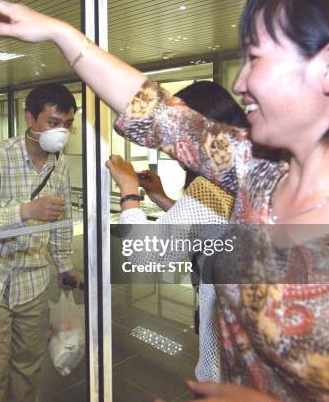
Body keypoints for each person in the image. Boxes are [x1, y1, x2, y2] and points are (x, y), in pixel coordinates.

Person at [0, 0, 329, 401]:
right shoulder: (257, 168)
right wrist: (64, 35)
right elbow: (161, 113)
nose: (241, 82)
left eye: (257, 59)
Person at [106, 81, 249, 383]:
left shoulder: (210, 184)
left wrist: (129, 190)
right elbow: (209, 226)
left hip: (227, 359)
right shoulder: (252, 165)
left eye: (173, 135)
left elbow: (147, 256)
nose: (169, 146)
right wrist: (160, 196)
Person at [0, 83, 83, 402]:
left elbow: (62, 219)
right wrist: (26, 211)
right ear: (30, 118)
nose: (61, 131)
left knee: (29, 366)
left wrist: (64, 265)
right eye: (53, 122)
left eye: (68, 124)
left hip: (33, 282)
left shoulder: (60, 165)